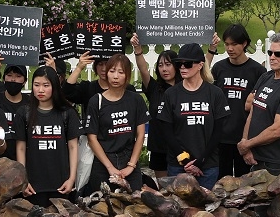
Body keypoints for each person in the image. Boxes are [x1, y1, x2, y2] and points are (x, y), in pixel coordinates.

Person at [157, 44, 229, 189]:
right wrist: (185, 160)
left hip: (207, 166)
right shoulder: (171, 94)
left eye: (187, 64)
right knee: (178, 209)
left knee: (205, 210)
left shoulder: (215, 93)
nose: (182, 67)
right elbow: (166, 130)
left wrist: (200, 161)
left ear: (200, 65)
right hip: (178, 165)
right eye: (179, 64)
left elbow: (218, 131)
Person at [237, 32, 280, 177]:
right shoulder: (266, 77)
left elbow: (278, 130)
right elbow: (253, 112)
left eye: (278, 54)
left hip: (278, 163)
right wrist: (246, 144)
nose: (272, 57)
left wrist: (247, 145)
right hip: (256, 158)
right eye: (270, 52)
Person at [205, 25, 266, 178]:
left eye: (234, 44)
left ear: (244, 43)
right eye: (226, 44)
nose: (229, 48)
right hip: (221, 135)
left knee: (244, 183)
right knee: (220, 182)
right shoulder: (219, 68)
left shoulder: (257, 71)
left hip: (245, 137)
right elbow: (205, 85)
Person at [82, 54, 149, 193]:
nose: (116, 76)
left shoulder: (136, 100)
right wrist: (109, 167)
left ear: (127, 75)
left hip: (129, 158)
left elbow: (141, 134)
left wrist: (131, 165)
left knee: (134, 205)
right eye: (112, 71)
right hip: (103, 161)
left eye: (121, 72)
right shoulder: (96, 101)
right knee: (103, 207)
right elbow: (92, 138)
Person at [14, 67, 80, 207]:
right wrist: (23, 181)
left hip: (61, 184)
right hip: (33, 186)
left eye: (46, 85)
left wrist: (72, 178)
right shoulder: (23, 113)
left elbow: (73, 147)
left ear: (54, 87)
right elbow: (20, 148)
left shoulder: (67, 113)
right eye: (36, 85)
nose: (40, 90)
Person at [130, 35, 176, 178]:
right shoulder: (155, 88)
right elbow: (143, 69)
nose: (164, 69)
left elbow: (202, 70)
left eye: (168, 64)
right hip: (159, 146)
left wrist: (212, 49)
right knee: (164, 190)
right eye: (161, 65)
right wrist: (137, 50)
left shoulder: (185, 89)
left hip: (180, 147)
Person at [0, 64, 30, 160]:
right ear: (3, 78)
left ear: (25, 81)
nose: (13, 80)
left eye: (18, 76)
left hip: (24, 157)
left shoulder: (30, 103)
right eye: (9, 75)